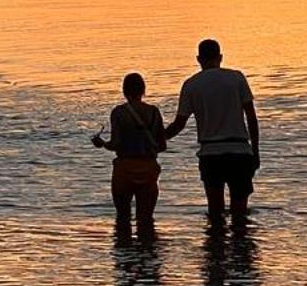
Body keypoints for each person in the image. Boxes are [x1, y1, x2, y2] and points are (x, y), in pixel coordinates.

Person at [164, 39, 260, 227]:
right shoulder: (237, 78)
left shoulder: (191, 85)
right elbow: (252, 119)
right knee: (240, 215)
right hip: (240, 152)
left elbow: (179, 124)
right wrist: (255, 151)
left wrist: (155, 140)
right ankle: (241, 253)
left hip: (211, 155)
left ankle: (215, 252)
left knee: (215, 214)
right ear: (220, 57)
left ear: (198, 59)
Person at [92, 72, 167, 237]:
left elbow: (116, 144)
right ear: (143, 90)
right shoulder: (154, 112)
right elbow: (162, 145)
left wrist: (102, 143)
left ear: (124, 91)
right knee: (146, 219)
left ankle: (125, 259)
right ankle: (145, 258)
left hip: (124, 169)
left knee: (123, 219)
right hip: (148, 168)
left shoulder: (119, 113)